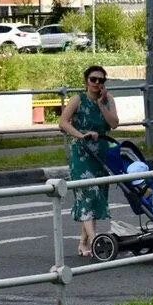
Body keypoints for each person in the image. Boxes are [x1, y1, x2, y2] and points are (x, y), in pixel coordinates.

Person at [59, 65, 120, 257]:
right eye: (93, 79)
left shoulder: (108, 99)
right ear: (86, 80)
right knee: (86, 194)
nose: (97, 83)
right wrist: (81, 135)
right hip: (82, 153)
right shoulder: (78, 99)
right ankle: (94, 241)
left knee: (97, 196)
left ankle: (83, 242)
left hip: (101, 152)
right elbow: (63, 122)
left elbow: (114, 124)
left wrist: (102, 105)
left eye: (101, 80)